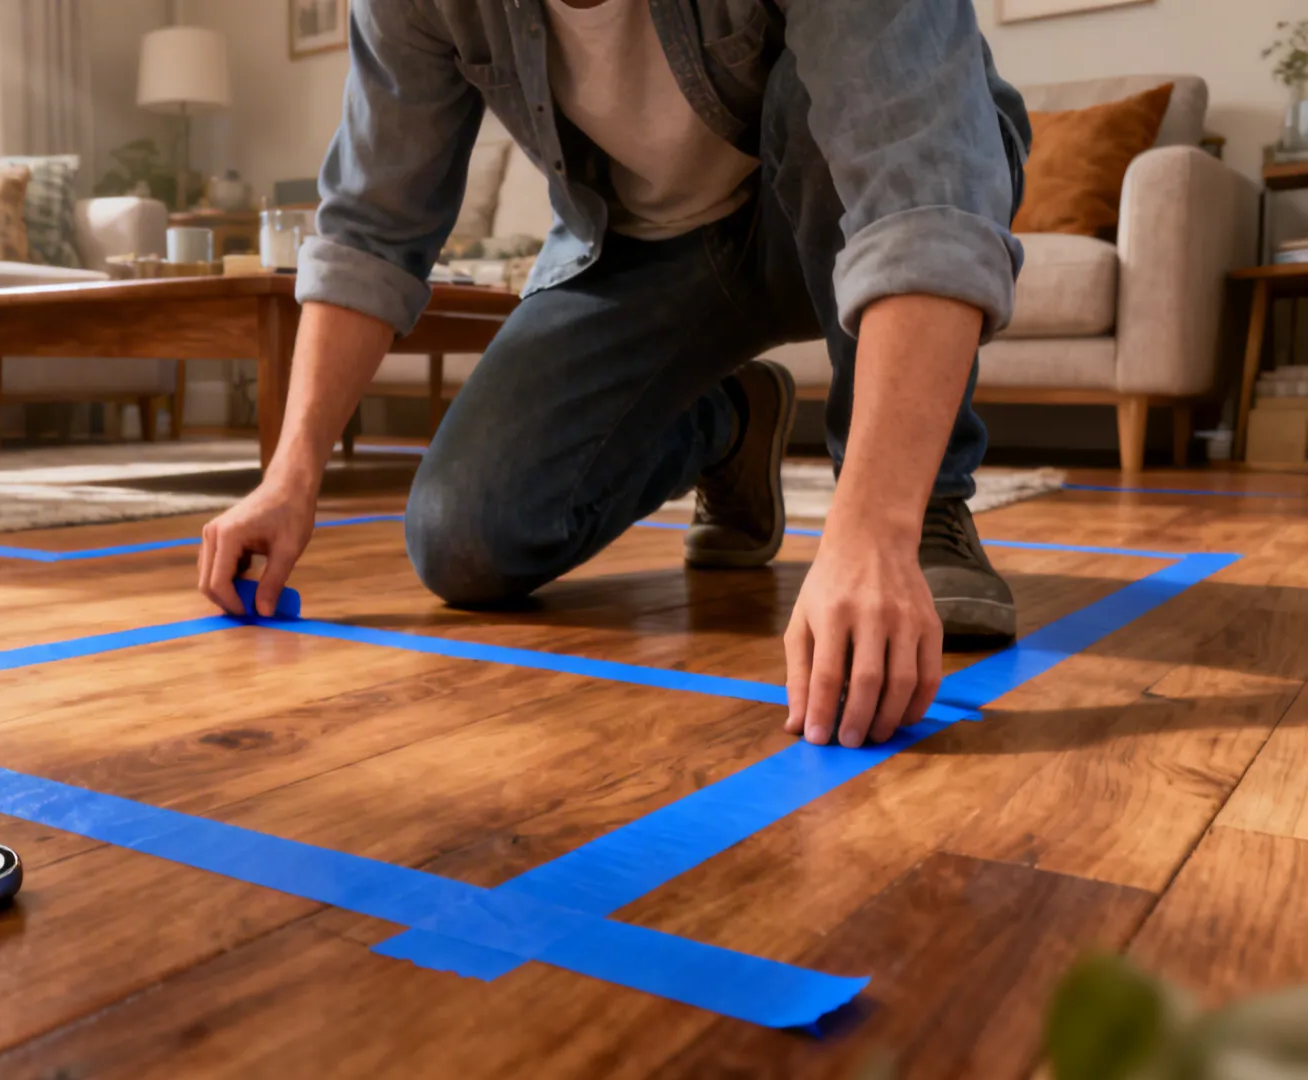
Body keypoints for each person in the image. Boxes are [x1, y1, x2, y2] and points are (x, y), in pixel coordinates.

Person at [197, 0, 1029, 749]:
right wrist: (290, 475)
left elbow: (921, 195)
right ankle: (728, 423)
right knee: (465, 540)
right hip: (640, 254)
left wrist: (876, 529)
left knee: (815, 108)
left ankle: (931, 510)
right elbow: (372, 229)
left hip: (834, 200)